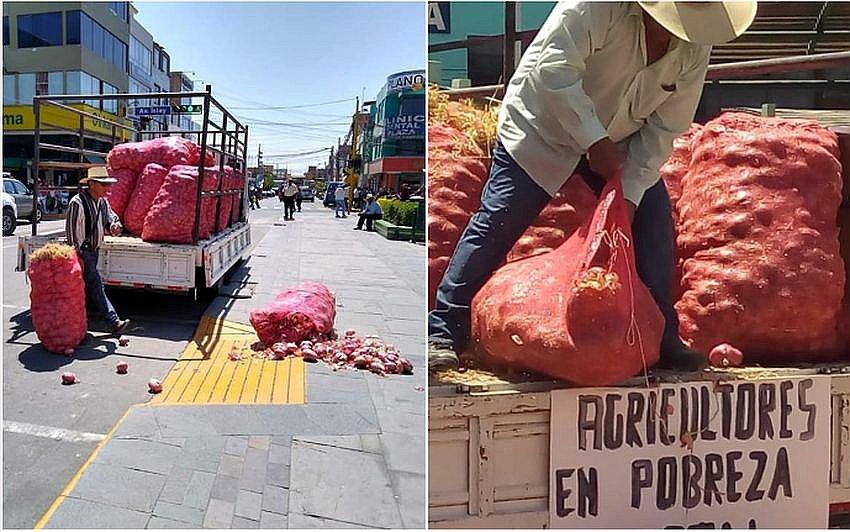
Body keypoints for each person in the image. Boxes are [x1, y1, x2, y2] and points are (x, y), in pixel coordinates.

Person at [428, 1, 757, 372]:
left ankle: (661, 338)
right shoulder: (596, 7)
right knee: (500, 217)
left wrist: (629, 196)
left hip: (621, 142)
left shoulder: (696, 42)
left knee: (653, 231)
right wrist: (592, 140)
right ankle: (444, 329)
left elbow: (666, 128)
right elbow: (552, 71)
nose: (675, 30)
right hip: (542, 128)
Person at [66, 167, 130, 335]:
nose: (107, 188)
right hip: (82, 253)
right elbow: (71, 233)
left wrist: (116, 225)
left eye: (108, 184)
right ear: (92, 184)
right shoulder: (77, 203)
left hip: (94, 251)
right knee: (95, 284)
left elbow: (111, 218)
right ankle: (113, 321)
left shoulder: (102, 202)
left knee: (86, 287)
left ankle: (78, 323)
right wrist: (76, 257)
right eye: (104, 185)